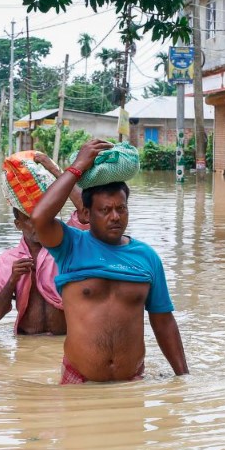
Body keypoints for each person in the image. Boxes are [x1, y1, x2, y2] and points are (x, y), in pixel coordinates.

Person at [31, 139, 189, 384]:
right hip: (80, 382)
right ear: (86, 214)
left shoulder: (147, 257)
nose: (115, 217)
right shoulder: (70, 246)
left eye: (121, 209)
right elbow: (40, 218)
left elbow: (163, 321)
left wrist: (184, 379)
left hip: (132, 381)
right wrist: (77, 167)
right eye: (105, 210)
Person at [0, 152, 87, 335]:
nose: (39, 223)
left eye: (44, 216)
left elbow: (85, 212)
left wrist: (55, 171)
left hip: (64, 341)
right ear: (18, 225)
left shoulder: (67, 245)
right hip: (26, 342)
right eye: (30, 219)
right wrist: (12, 280)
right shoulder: (8, 260)